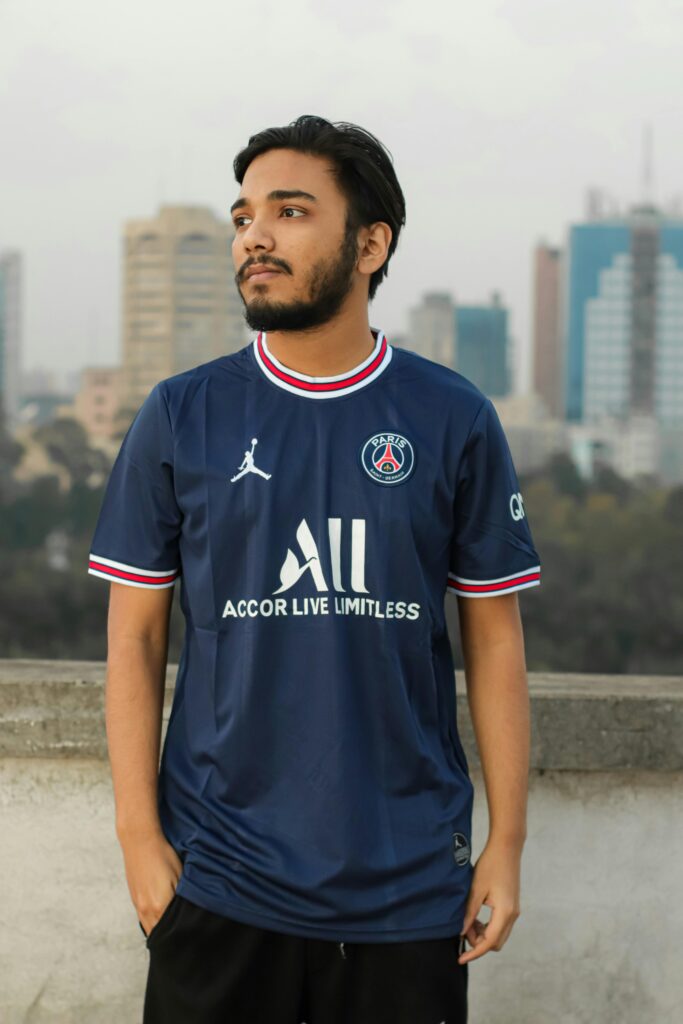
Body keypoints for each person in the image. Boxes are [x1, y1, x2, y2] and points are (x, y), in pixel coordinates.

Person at [87, 114, 541, 1024]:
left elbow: (493, 641)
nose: (254, 235)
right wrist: (139, 840)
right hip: (217, 880)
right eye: (243, 215)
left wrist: (506, 844)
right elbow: (134, 639)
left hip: (408, 886)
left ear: (370, 244)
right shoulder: (181, 413)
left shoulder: (451, 416)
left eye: (289, 211)